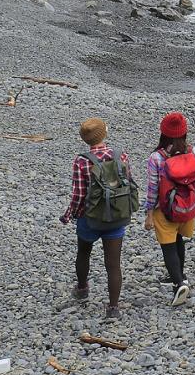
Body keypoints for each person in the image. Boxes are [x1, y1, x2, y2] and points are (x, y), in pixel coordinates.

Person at [59, 117, 138, 320]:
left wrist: (70, 215)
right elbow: (128, 183)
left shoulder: (82, 161)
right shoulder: (121, 155)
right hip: (116, 216)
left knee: (83, 252)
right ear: (105, 133)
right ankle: (113, 308)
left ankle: (83, 288)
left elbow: (78, 195)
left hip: (90, 218)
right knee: (113, 264)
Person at [144, 111, 195, 306]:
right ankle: (181, 275)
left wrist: (148, 214)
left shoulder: (157, 157)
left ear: (163, 133)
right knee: (179, 238)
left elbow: (153, 189)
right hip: (187, 207)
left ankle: (178, 283)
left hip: (166, 209)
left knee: (168, 246)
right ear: (185, 132)